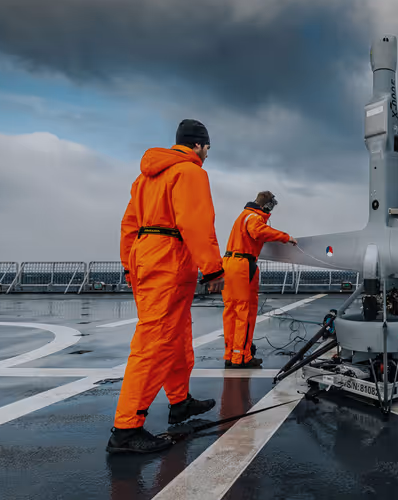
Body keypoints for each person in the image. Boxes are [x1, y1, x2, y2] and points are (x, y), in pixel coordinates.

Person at [106, 119, 226, 454]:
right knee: (154, 342)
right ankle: (127, 429)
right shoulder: (190, 173)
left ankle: (179, 402)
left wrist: (130, 266)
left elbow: (129, 226)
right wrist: (214, 268)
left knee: (175, 335)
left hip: (147, 259)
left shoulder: (144, 177)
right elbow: (196, 222)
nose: (206, 154)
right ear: (199, 145)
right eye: (207, 147)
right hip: (170, 261)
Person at [222, 191, 297, 368]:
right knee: (245, 312)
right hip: (243, 265)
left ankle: (231, 354)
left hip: (229, 263)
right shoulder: (254, 218)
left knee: (231, 311)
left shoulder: (243, 215)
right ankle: (242, 356)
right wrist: (286, 238)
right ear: (268, 206)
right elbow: (258, 231)